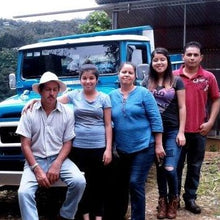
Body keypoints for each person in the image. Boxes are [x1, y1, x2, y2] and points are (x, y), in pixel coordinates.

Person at [24, 61, 112, 220]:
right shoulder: (74, 95)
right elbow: (53, 100)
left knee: (95, 183)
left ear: (97, 80)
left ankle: (92, 216)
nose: (88, 81)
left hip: (97, 146)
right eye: (84, 78)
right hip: (77, 148)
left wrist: (108, 149)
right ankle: (84, 216)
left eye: (91, 78)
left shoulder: (105, 98)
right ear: (80, 80)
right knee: (82, 182)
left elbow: (108, 124)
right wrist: (34, 101)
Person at [16, 71, 86, 220]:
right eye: (48, 89)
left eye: (55, 90)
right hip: (34, 161)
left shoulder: (67, 113)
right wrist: (36, 169)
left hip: (58, 158)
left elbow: (68, 142)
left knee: (79, 181)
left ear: (58, 91)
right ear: (40, 91)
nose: (52, 93)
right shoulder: (29, 113)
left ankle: (66, 215)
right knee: (23, 193)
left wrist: (57, 163)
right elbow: (25, 144)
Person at [108, 62, 165, 220]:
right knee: (121, 185)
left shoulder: (143, 93)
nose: (126, 75)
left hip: (144, 146)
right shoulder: (111, 96)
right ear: (118, 74)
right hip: (122, 149)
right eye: (123, 72)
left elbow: (156, 119)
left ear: (135, 76)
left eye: (130, 72)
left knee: (135, 183)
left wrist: (159, 145)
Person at [173, 41, 220, 214]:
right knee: (175, 166)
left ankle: (190, 198)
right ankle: (174, 198)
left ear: (201, 57)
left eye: (195, 55)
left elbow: (216, 99)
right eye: (189, 54)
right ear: (182, 56)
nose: (192, 58)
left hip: (199, 131)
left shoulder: (208, 77)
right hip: (177, 132)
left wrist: (210, 122)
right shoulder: (173, 77)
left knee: (195, 166)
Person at [142, 47, 186, 219]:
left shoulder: (177, 81)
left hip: (172, 130)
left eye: (162, 59)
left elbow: (182, 107)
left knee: (169, 167)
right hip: (153, 132)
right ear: (151, 63)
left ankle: (173, 199)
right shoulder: (147, 82)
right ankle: (162, 201)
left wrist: (181, 132)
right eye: (155, 60)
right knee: (160, 168)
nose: (159, 62)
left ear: (167, 61)